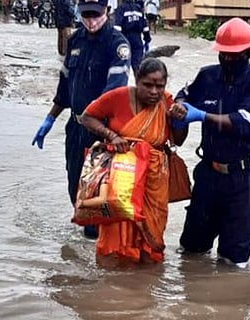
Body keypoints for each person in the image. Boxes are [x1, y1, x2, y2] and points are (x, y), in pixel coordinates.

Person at [169, 17, 250, 268]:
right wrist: (180, 108)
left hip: (244, 180)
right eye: (223, 54)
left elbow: (247, 123)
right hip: (208, 176)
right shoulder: (206, 77)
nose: (227, 59)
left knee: (233, 263)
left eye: (234, 55)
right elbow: (185, 95)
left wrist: (203, 116)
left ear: (248, 53)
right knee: (191, 253)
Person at [32, 0, 131, 239]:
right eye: (86, 15)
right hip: (75, 128)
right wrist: (50, 118)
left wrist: (104, 131)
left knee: (96, 193)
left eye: (95, 15)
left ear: (106, 11)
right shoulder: (75, 41)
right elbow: (65, 86)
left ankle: (96, 249)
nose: (91, 20)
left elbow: (114, 94)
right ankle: (83, 248)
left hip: (101, 131)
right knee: (74, 184)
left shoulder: (117, 46)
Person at [79, 57, 183, 264]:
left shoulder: (168, 102)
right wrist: (112, 135)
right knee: (117, 223)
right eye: (148, 85)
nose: (154, 92)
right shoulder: (117, 96)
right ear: (137, 79)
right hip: (122, 173)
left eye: (159, 86)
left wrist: (179, 120)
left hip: (154, 177)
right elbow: (86, 117)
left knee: (153, 227)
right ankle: (114, 277)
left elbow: (178, 139)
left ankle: (147, 278)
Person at [114, 0, 151, 77]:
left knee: (122, 66)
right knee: (138, 66)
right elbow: (145, 27)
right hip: (137, 39)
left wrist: (114, 41)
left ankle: (122, 86)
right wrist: (147, 39)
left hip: (124, 39)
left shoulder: (121, 8)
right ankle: (140, 86)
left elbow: (117, 27)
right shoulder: (139, 9)